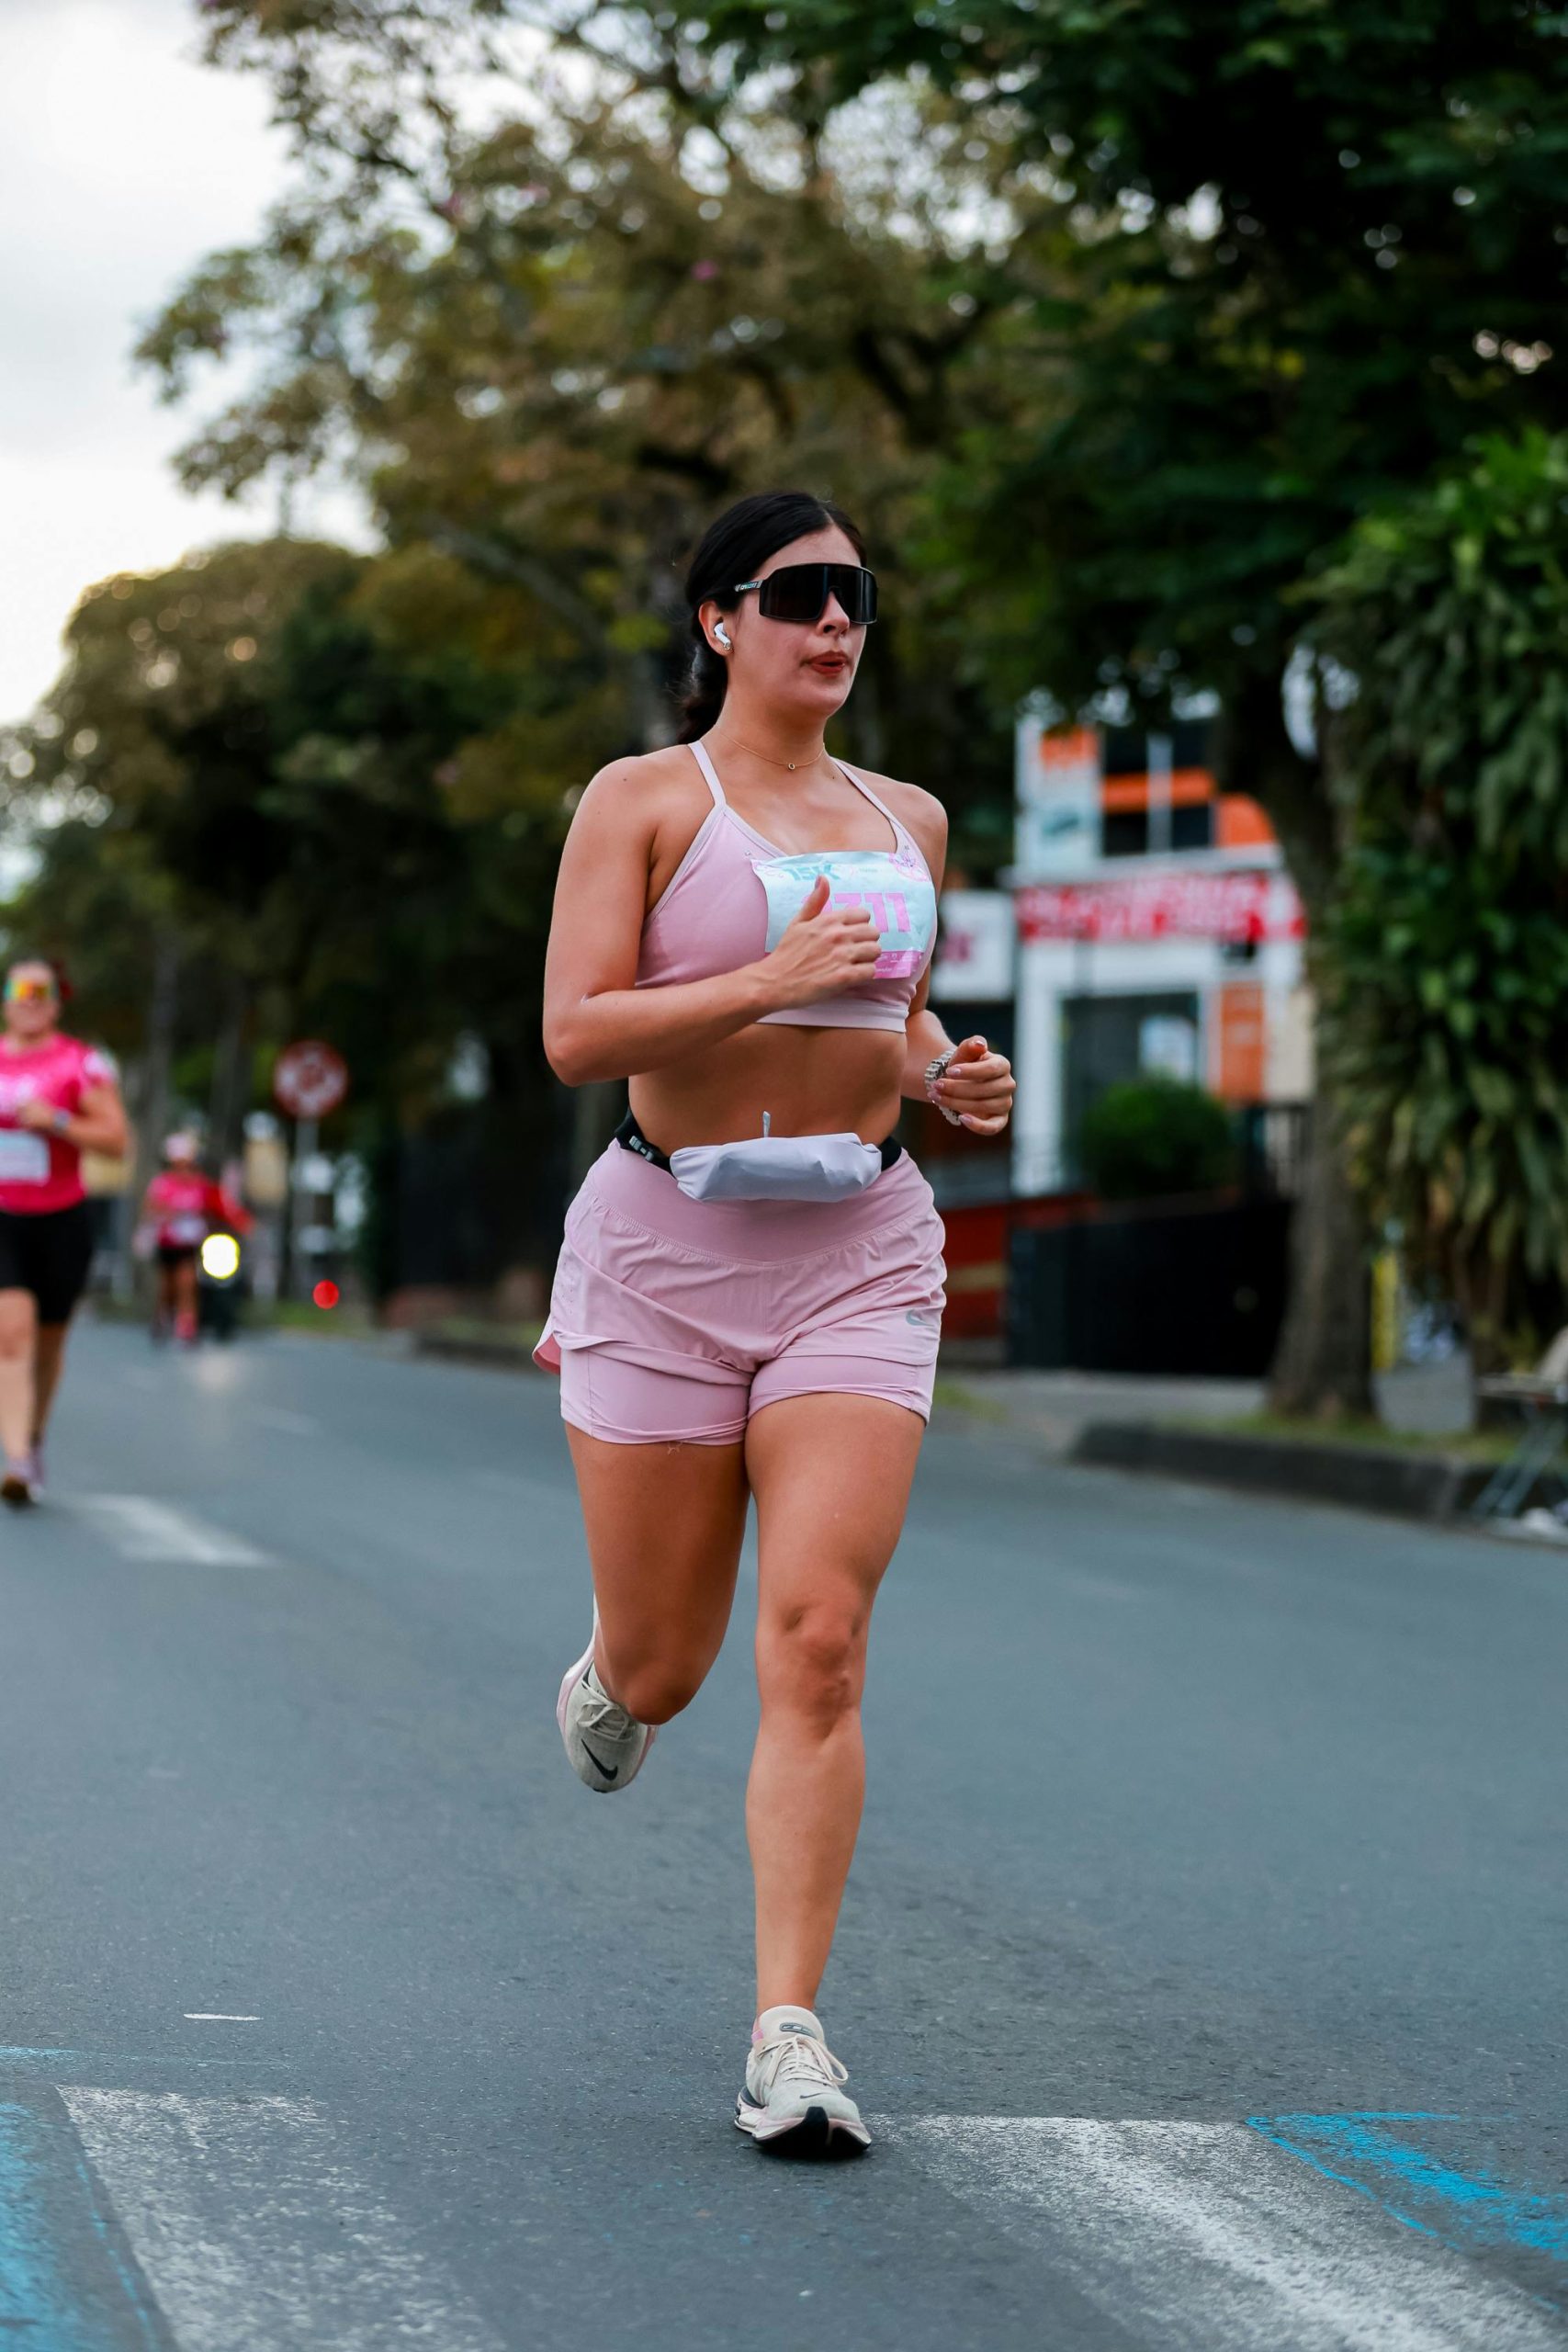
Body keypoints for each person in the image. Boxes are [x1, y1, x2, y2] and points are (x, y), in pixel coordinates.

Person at [537, 491, 1015, 2153]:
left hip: (858, 1253)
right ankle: (613, 1666)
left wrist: (940, 1070)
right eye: (797, 593)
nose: (834, 622)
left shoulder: (910, 820)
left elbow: (876, 1009)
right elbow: (577, 1032)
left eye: (854, 594)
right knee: (671, 1668)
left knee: (816, 1636)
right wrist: (753, 980)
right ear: (717, 622)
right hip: (665, 1255)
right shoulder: (645, 802)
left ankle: (787, 2033)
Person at [0, 959, 130, 1505]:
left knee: (50, 1341)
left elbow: (116, 1140)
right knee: (14, 1331)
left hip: (60, 1218)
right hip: (2, 1215)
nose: (29, 998)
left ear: (57, 1002)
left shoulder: (81, 1064)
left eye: (41, 990)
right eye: (18, 988)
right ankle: (16, 1459)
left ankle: (31, 1436)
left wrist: (55, 1121)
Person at [136, 1133, 241, 1345]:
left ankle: (187, 1325)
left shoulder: (200, 1185)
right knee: (167, 1285)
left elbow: (216, 1208)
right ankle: (162, 1318)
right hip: (167, 1242)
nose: (183, 1168)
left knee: (188, 1282)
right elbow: (150, 1210)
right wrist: (172, 1213)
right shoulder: (162, 1184)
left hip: (190, 1244)